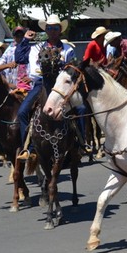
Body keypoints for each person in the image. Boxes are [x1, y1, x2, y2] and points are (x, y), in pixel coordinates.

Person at [17, 14, 76, 155]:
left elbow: (73, 67)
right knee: (22, 112)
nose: (52, 30)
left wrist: (62, 64)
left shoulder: (68, 49)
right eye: (49, 28)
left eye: (55, 28)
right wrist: (25, 40)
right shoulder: (36, 48)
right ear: (46, 30)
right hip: (40, 83)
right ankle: (28, 148)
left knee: (80, 109)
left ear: (60, 29)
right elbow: (19, 58)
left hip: (61, 85)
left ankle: (80, 143)